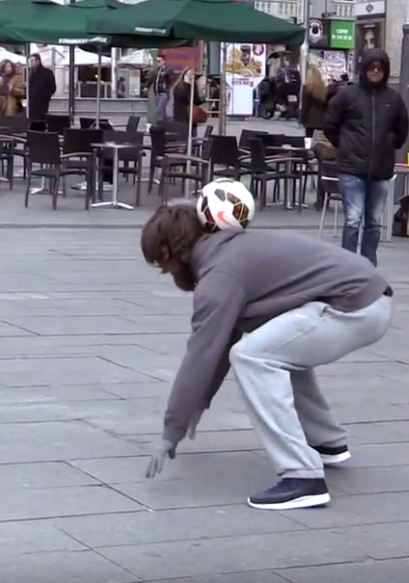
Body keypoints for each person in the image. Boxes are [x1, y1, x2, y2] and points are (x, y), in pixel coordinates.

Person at [140, 203, 393, 510]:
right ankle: (326, 442)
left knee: (252, 357)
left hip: (353, 307)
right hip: (367, 299)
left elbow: (201, 354)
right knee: (275, 347)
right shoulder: (230, 250)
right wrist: (197, 404)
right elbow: (216, 347)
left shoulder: (220, 276)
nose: (167, 274)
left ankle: (303, 476)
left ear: (168, 252)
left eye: (161, 266)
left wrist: (171, 431)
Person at [323, 48, 409, 267]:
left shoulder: (393, 99)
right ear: (364, 69)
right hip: (352, 169)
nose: (376, 71)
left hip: (381, 169)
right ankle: (348, 264)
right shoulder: (348, 96)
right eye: (371, 67)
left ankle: (369, 263)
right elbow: (330, 125)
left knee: (374, 222)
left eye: (380, 67)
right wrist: (344, 146)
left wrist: (390, 146)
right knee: (353, 219)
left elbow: (402, 129)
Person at [299, 67, 327, 139]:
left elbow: (305, 106)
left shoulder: (306, 88)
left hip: (310, 120)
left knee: (309, 140)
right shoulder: (323, 89)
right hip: (322, 121)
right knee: (319, 141)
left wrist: (301, 120)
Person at [27, 54, 56, 122]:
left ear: (38, 61)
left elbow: (52, 88)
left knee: (40, 121)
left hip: (42, 104)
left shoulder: (47, 73)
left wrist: (45, 97)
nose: (30, 63)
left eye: (32, 61)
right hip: (31, 103)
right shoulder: (31, 73)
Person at [153, 54, 174, 122]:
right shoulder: (157, 70)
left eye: (159, 61)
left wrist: (167, 88)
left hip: (164, 93)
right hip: (157, 92)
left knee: (159, 110)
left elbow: (171, 81)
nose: (157, 63)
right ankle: (165, 125)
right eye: (156, 61)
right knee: (162, 110)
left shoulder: (167, 70)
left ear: (164, 61)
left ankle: (160, 124)